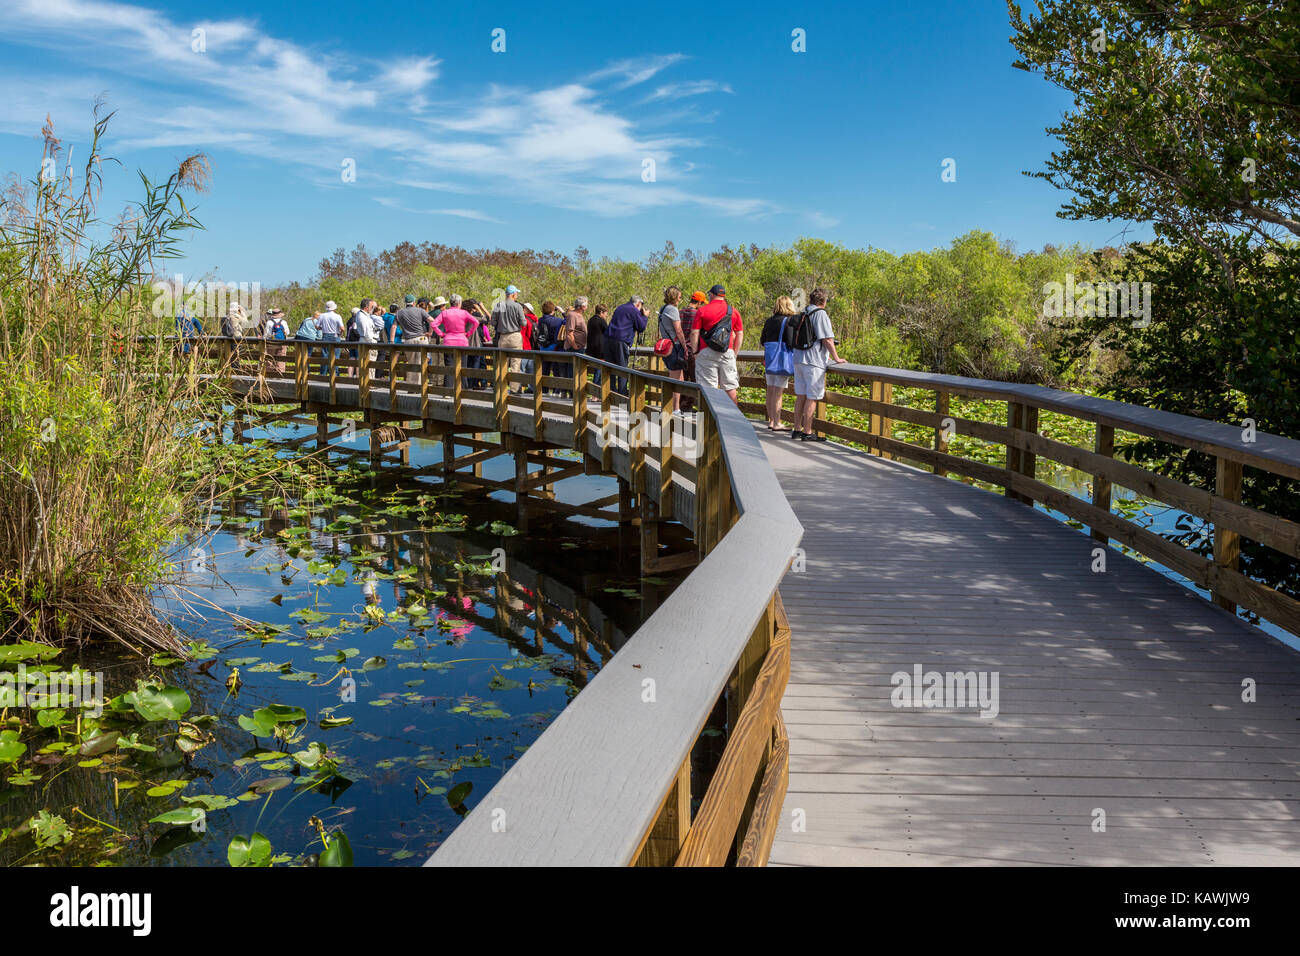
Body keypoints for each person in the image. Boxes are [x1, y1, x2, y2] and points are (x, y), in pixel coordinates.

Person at [791, 287, 847, 442]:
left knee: (801, 395)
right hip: (813, 362)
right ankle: (807, 432)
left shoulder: (803, 312)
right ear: (824, 301)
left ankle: (796, 430)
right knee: (812, 397)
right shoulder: (820, 314)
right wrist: (836, 358)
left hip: (798, 359)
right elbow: (827, 339)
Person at [690, 284, 743, 404]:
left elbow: (694, 333)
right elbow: (739, 334)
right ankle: (733, 419)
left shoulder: (702, 310)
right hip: (727, 351)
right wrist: (734, 353)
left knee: (708, 388)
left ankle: (710, 421)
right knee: (730, 387)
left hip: (706, 351)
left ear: (712, 295)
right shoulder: (733, 311)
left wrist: (695, 352)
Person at [760, 296, 800, 429]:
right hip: (782, 360)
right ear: (789, 306)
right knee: (778, 392)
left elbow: (762, 340)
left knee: (770, 390)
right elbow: (790, 341)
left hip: (770, 360)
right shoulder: (789, 321)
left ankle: (771, 421)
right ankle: (777, 423)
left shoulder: (769, 321)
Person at [605, 295, 648, 395]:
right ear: (638, 304)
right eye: (641, 305)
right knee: (622, 369)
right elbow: (641, 327)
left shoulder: (620, 307)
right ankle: (622, 396)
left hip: (608, 339)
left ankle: (610, 394)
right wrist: (644, 317)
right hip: (621, 341)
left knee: (609, 368)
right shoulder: (634, 310)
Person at [656, 286, 689, 412]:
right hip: (674, 346)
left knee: (676, 377)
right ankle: (674, 409)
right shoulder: (673, 310)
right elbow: (679, 331)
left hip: (667, 346)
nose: (680, 299)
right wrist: (685, 346)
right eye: (679, 297)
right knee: (675, 379)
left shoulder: (663, 308)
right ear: (674, 297)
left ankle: (674, 408)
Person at [491, 284, 527, 393]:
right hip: (515, 336)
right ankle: (514, 389)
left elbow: (493, 322)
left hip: (503, 337)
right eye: (516, 294)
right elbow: (523, 323)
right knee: (515, 363)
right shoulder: (517, 306)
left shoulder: (498, 305)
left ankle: (501, 388)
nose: (517, 295)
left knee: (502, 363)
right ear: (513, 294)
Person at [394, 294, 433, 384]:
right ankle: (420, 384)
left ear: (405, 303)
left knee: (411, 362)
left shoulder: (399, 313)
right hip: (421, 338)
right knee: (421, 362)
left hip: (409, 340)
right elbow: (432, 321)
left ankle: (411, 385)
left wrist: (392, 341)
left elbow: (394, 327)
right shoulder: (420, 311)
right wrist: (430, 333)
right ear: (414, 302)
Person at [678, 291, 706, 414]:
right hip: (692, 351)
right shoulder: (698, 314)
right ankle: (689, 405)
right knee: (695, 379)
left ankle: (681, 405)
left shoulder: (679, 312)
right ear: (699, 302)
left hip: (679, 350)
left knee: (681, 378)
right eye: (702, 303)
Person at [535, 300, 567, 387]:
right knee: (556, 370)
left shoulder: (540, 320)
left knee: (544, 370)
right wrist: (563, 312)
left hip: (543, 347)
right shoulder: (557, 321)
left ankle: (544, 390)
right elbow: (568, 321)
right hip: (554, 348)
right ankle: (556, 389)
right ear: (553, 310)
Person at [316, 300, 345, 375]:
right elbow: (342, 328)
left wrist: (323, 328)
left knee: (325, 356)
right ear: (334, 308)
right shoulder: (337, 316)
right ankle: (335, 374)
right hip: (335, 336)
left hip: (325, 335)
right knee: (336, 356)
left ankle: (323, 374)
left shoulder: (322, 315)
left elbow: (317, 326)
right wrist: (340, 334)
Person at [263, 307, 292, 374]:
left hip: (271, 343)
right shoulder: (284, 322)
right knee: (281, 358)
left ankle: (270, 373)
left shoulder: (269, 322)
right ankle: (280, 373)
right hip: (282, 343)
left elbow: (266, 334)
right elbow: (287, 332)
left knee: (270, 358)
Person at [586, 304, 608, 386]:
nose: (606, 315)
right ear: (601, 312)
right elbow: (608, 332)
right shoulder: (601, 321)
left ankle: (595, 393)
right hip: (600, 349)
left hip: (591, 349)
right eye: (606, 313)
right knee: (599, 370)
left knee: (596, 370)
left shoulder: (590, 320)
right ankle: (595, 394)